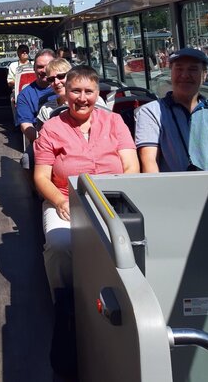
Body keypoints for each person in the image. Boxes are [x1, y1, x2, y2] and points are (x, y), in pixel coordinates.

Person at [33, 66, 139, 303]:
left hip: (113, 198)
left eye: (89, 91)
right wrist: (60, 202)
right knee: (61, 244)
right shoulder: (51, 128)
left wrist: (117, 200)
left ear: (97, 93)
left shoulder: (115, 121)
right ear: (66, 92)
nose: (82, 98)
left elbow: (132, 166)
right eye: (76, 91)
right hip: (66, 199)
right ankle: (65, 302)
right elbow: (41, 176)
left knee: (129, 241)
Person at [135, 47, 208, 172]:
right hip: (174, 188)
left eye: (193, 69)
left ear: (204, 75)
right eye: (179, 69)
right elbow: (149, 162)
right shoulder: (151, 112)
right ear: (171, 73)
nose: (185, 75)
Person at [16, 48, 57, 145]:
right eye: (40, 67)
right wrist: (48, 143)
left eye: (48, 66)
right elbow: (26, 125)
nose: (44, 70)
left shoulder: (67, 88)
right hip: (42, 142)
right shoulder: (25, 95)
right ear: (34, 68)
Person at [36, 58, 72, 128]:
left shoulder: (90, 101)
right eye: (51, 79)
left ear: (71, 76)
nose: (56, 82)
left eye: (61, 76)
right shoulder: (46, 110)